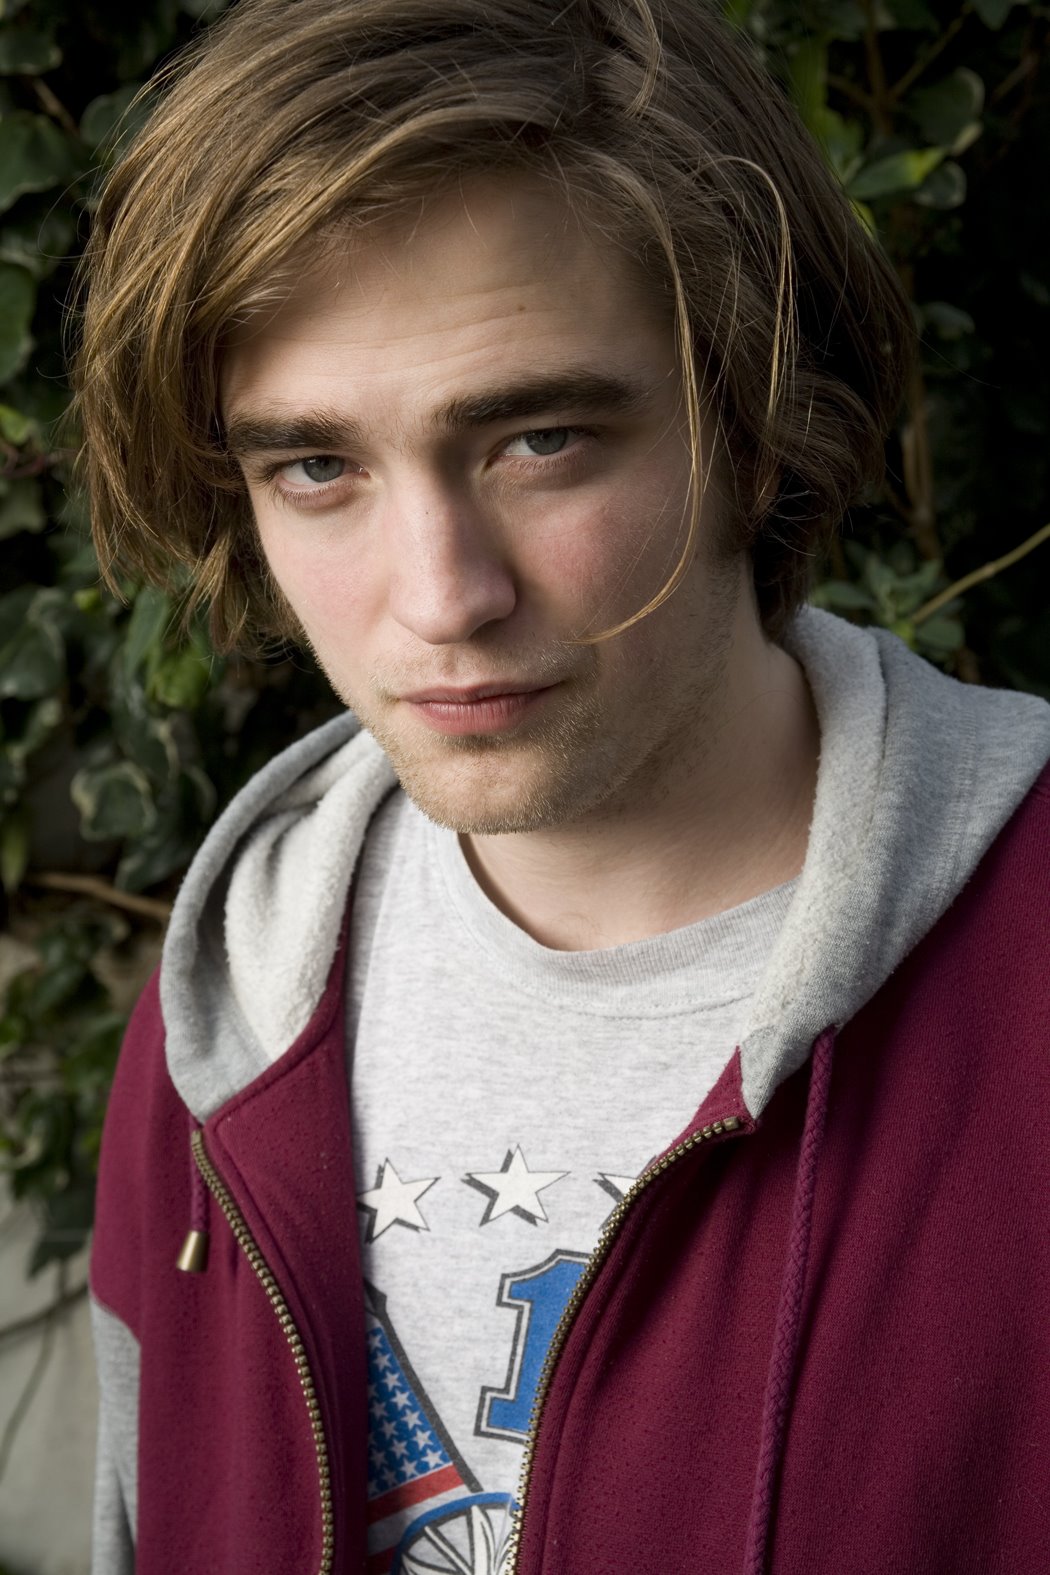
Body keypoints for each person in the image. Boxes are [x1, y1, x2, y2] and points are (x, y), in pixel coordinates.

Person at [76, 0, 1050, 1571]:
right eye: (315, 467)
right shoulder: (224, 1019)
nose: (440, 598)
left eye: (538, 440)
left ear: (755, 419)